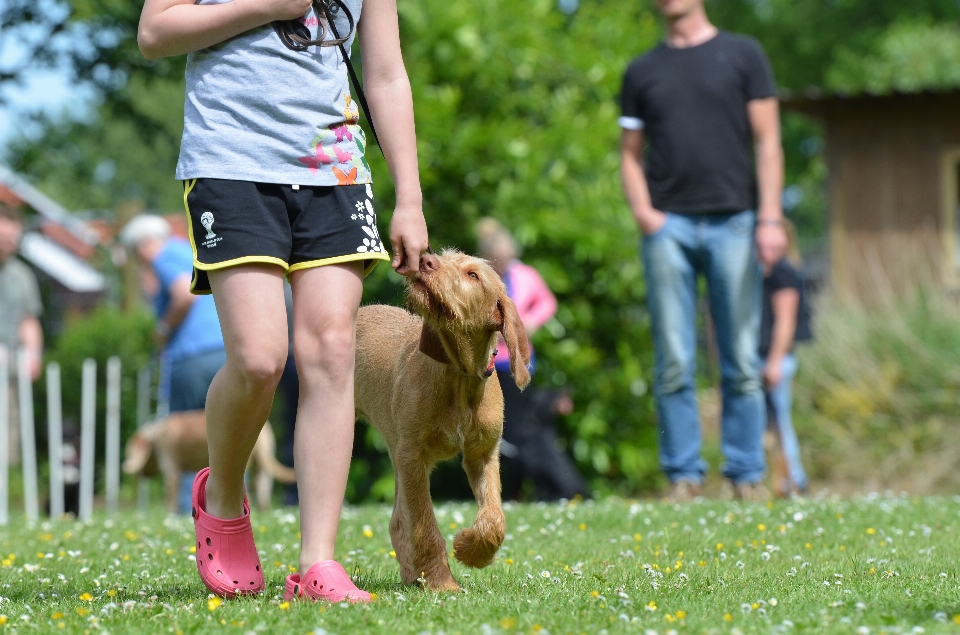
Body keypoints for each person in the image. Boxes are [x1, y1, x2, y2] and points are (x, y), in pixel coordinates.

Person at [138, 0, 428, 602]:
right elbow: (154, 32)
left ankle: (318, 562)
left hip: (335, 168)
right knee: (260, 359)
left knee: (330, 350)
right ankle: (220, 496)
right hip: (231, 162)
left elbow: (386, 72)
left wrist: (411, 197)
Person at [619, 0, 787, 501]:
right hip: (667, 228)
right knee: (673, 358)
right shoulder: (641, 70)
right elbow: (629, 154)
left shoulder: (744, 55)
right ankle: (683, 477)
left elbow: (770, 141)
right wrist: (646, 214)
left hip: (734, 222)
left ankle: (746, 473)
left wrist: (771, 217)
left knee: (738, 355)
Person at [120, 214, 228, 512]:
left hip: (190, 356)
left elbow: (183, 294)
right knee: (228, 428)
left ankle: (187, 510)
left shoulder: (163, 257)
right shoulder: (189, 250)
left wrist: (163, 329)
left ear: (142, 246)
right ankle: (229, 506)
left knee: (180, 440)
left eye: (135, 254)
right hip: (222, 348)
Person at [475, 218, 566, 499]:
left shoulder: (525, 275)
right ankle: (508, 491)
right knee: (501, 431)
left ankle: (531, 491)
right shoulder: (479, 278)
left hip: (520, 361)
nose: (504, 265)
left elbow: (547, 302)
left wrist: (528, 324)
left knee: (520, 430)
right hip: (490, 362)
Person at [757, 219, 811, 497]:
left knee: (779, 425)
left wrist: (774, 362)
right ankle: (781, 482)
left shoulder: (782, 273)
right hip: (765, 358)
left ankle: (793, 481)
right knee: (769, 427)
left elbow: (786, 321)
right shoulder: (767, 272)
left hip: (773, 360)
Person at [0, 201, 43, 467]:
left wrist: (33, 356)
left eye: (13, 237)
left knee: (7, 440)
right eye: (4, 236)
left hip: (9, 371)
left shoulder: (21, 275)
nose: (10, 241)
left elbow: (29, 320)